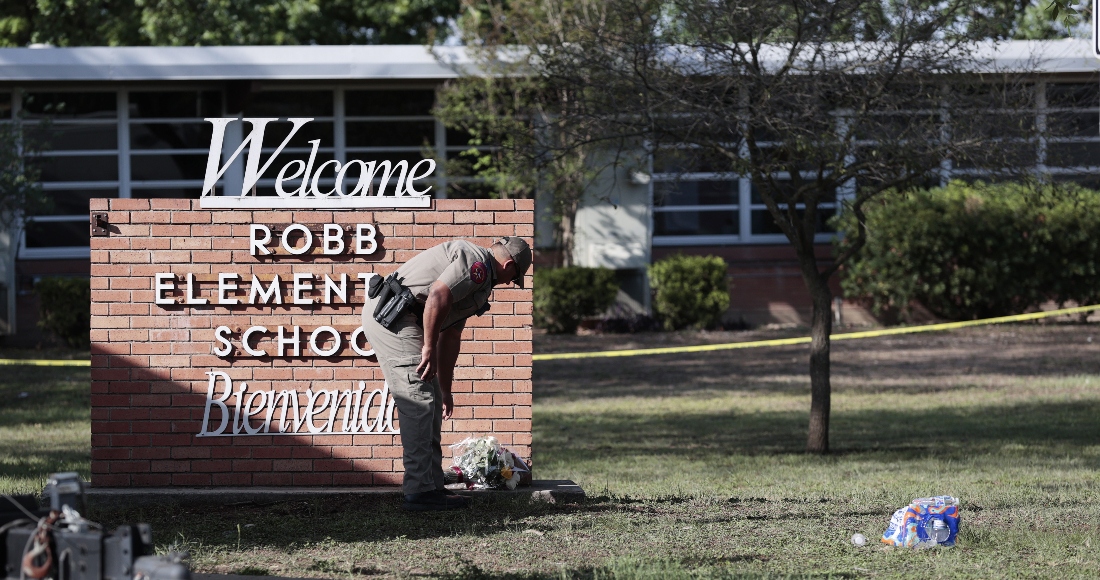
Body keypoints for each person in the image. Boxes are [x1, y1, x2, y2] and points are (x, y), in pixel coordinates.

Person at [361, 236, 532, 511]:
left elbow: (451, 336)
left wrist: (446, 389)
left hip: (408, 318)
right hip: (393, 318)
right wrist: (428, 346)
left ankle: (430, 486)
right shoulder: (476, 263)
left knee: (432, 398)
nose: (510, 282)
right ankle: (419, 492)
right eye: (515, 277)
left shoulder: (481, 281)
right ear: (509, 264)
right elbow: (438, 295)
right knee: (419, 400)